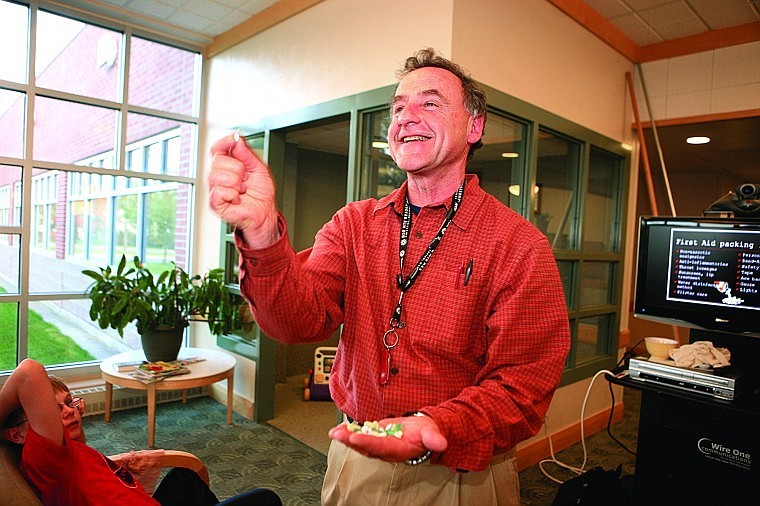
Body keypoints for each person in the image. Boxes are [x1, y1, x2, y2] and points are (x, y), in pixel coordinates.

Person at [208, 47, 571, 505]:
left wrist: (438, 426)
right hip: (357, 456)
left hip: (462, 470)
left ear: (474, 126)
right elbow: (295, 322)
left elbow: (523, 384)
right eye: (399, 107)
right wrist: (261, 233)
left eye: (430, 103)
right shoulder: (353, 224)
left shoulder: (519, 246)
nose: (406, 117)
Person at [0, 358, 282, 506]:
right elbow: (29, 372)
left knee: (184, 478)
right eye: (54, 409)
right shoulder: (47, 459)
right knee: (265, 499)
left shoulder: (70, 453)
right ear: (17, 434)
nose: (70, 411)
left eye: (70, 402)